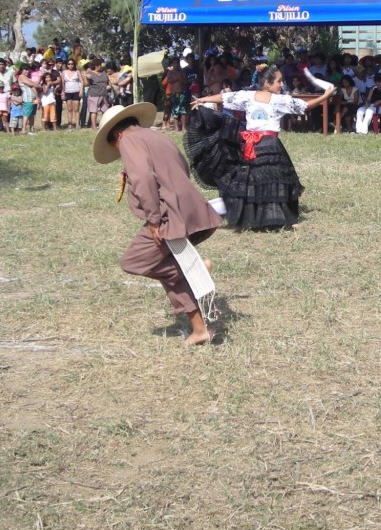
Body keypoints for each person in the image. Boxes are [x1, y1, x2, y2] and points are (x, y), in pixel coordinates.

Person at [93, 102, 222, 345]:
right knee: (164, 267)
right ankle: (200, 330)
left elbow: (142, 179)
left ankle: (195, 269)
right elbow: (182, 167)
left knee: (133, 261)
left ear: (116, 136)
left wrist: (154, 220)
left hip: (167, 216)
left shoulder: (129, 141)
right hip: (188, 208)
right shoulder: (153, 136)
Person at [187, 65, 335, 230]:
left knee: (254, 182)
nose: (281, 85)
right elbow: (305, 106)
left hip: (255, 145)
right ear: (267, 83)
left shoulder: (255, 97)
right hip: (264, 146)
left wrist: (203, 99)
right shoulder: (270, 99)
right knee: (269, 182)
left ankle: (262, 217)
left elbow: (225, 97)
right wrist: (325, 96)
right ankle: (265, 217)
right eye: (279, 81)